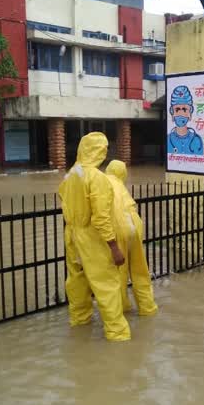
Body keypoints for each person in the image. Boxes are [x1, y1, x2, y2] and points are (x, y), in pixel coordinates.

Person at [58, 132, 130, 341]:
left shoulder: (71, 174)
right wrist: (114, 247)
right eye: (104, 149)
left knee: (77, 282)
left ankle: (80, 322)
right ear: (99, 151)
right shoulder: (97, 178)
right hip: (91, 237)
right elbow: (101, 218)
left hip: (72, 235)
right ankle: (117, 333)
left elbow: (62, 197)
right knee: (106, 283)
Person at [105, 160, 159, 316]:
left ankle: (123, 309)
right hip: (135, 224)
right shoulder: (121, 185)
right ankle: (147, 308)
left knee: (119, 274)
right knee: (140, 270)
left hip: (118, 227)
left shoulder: (103, 181)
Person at [168, 85, 204, 155]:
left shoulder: (197, 140)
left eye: (184, 110)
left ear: (190, 112)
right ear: (172, 112)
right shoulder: (168, 139)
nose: (181, 114)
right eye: (177, 110)